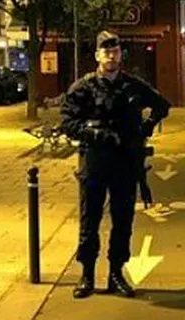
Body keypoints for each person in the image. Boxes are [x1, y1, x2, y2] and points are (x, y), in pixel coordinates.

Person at [60, 30, 171, 299]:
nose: (111, 56)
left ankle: (116, 273)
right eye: (106, 52)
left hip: (125, 161)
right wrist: (93, 133)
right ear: (97, 55)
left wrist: (145, 128)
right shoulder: (83, 87)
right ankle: (87, 275)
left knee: (123, 221)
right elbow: (67, 121)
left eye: (115, 52)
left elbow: (162, 106)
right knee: (90, 220)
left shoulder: (132, 85)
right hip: (95, 160)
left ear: (120, 55)